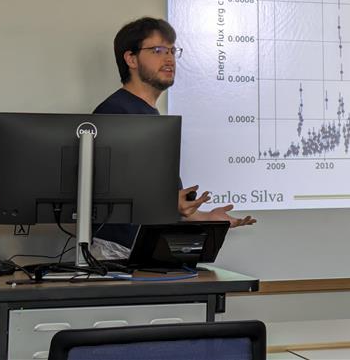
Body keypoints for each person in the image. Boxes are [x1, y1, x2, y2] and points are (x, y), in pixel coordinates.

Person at [93, 17, 255, 252]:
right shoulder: (116, 113)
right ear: (131, 59)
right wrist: (170, 204)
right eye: (157, 50)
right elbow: (113, 195)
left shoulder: (147, 114)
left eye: (172, 50)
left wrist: (205, 218)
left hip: (144, 249)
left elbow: (148, 194)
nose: (169, 58)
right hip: (117, 252)